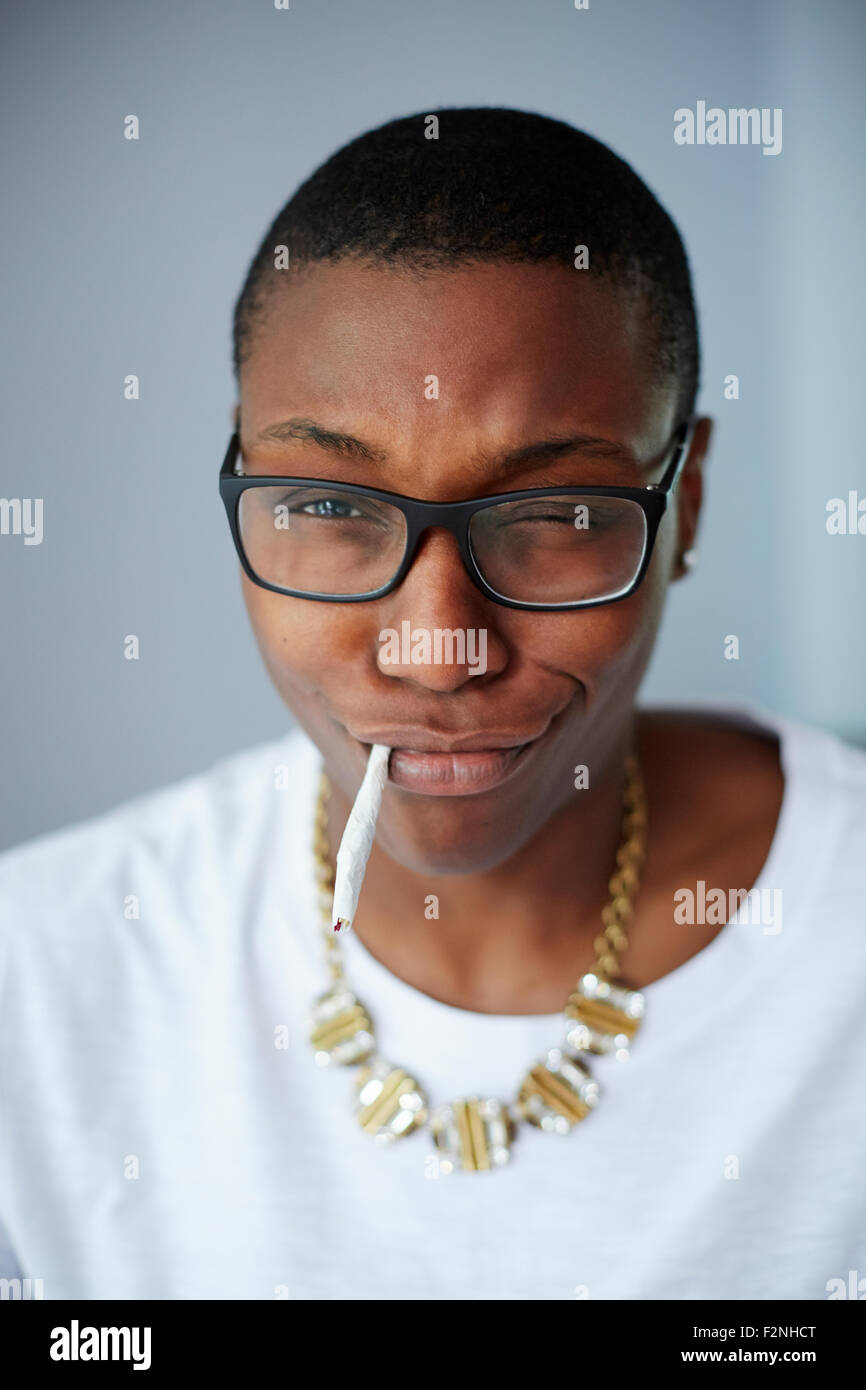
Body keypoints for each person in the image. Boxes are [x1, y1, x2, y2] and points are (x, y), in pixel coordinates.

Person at [1, 107, 864, 1301]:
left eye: (555, 514)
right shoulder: (38, 976)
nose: (436, 647)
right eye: (330, 507)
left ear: (688, 505)